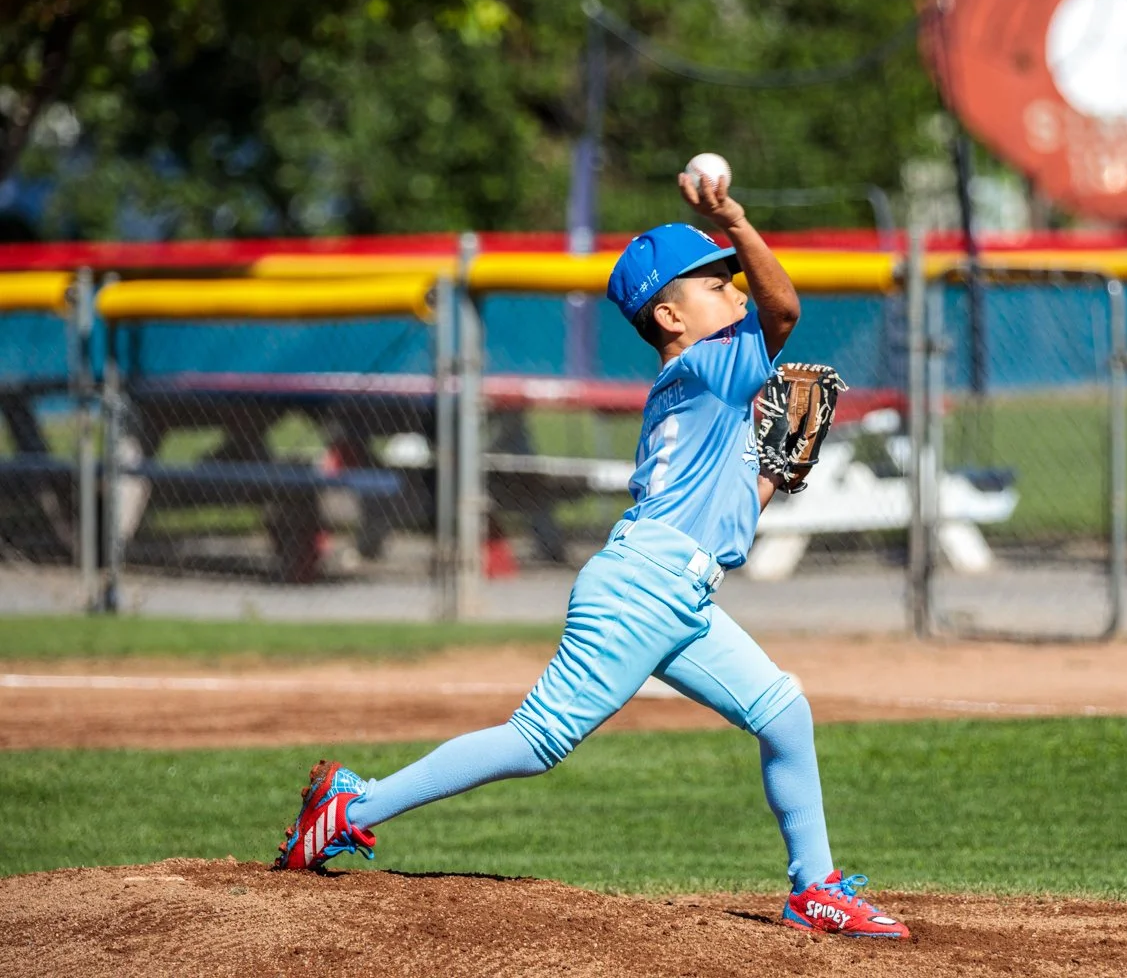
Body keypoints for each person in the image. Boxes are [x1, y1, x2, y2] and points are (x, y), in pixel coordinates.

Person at [269, 174, 911, 940]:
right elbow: (787, 310)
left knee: (782, 712)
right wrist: (735, 217)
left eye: (731, 276)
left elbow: (726, 521)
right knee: (538, 739)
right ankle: (351, 808)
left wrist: (771, 473)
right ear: (670, 315)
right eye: (716, 282)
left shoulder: (709, 391)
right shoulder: (709, 366)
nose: (734, 289)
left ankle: (816, 890)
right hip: (645, 587)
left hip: (679, 590)